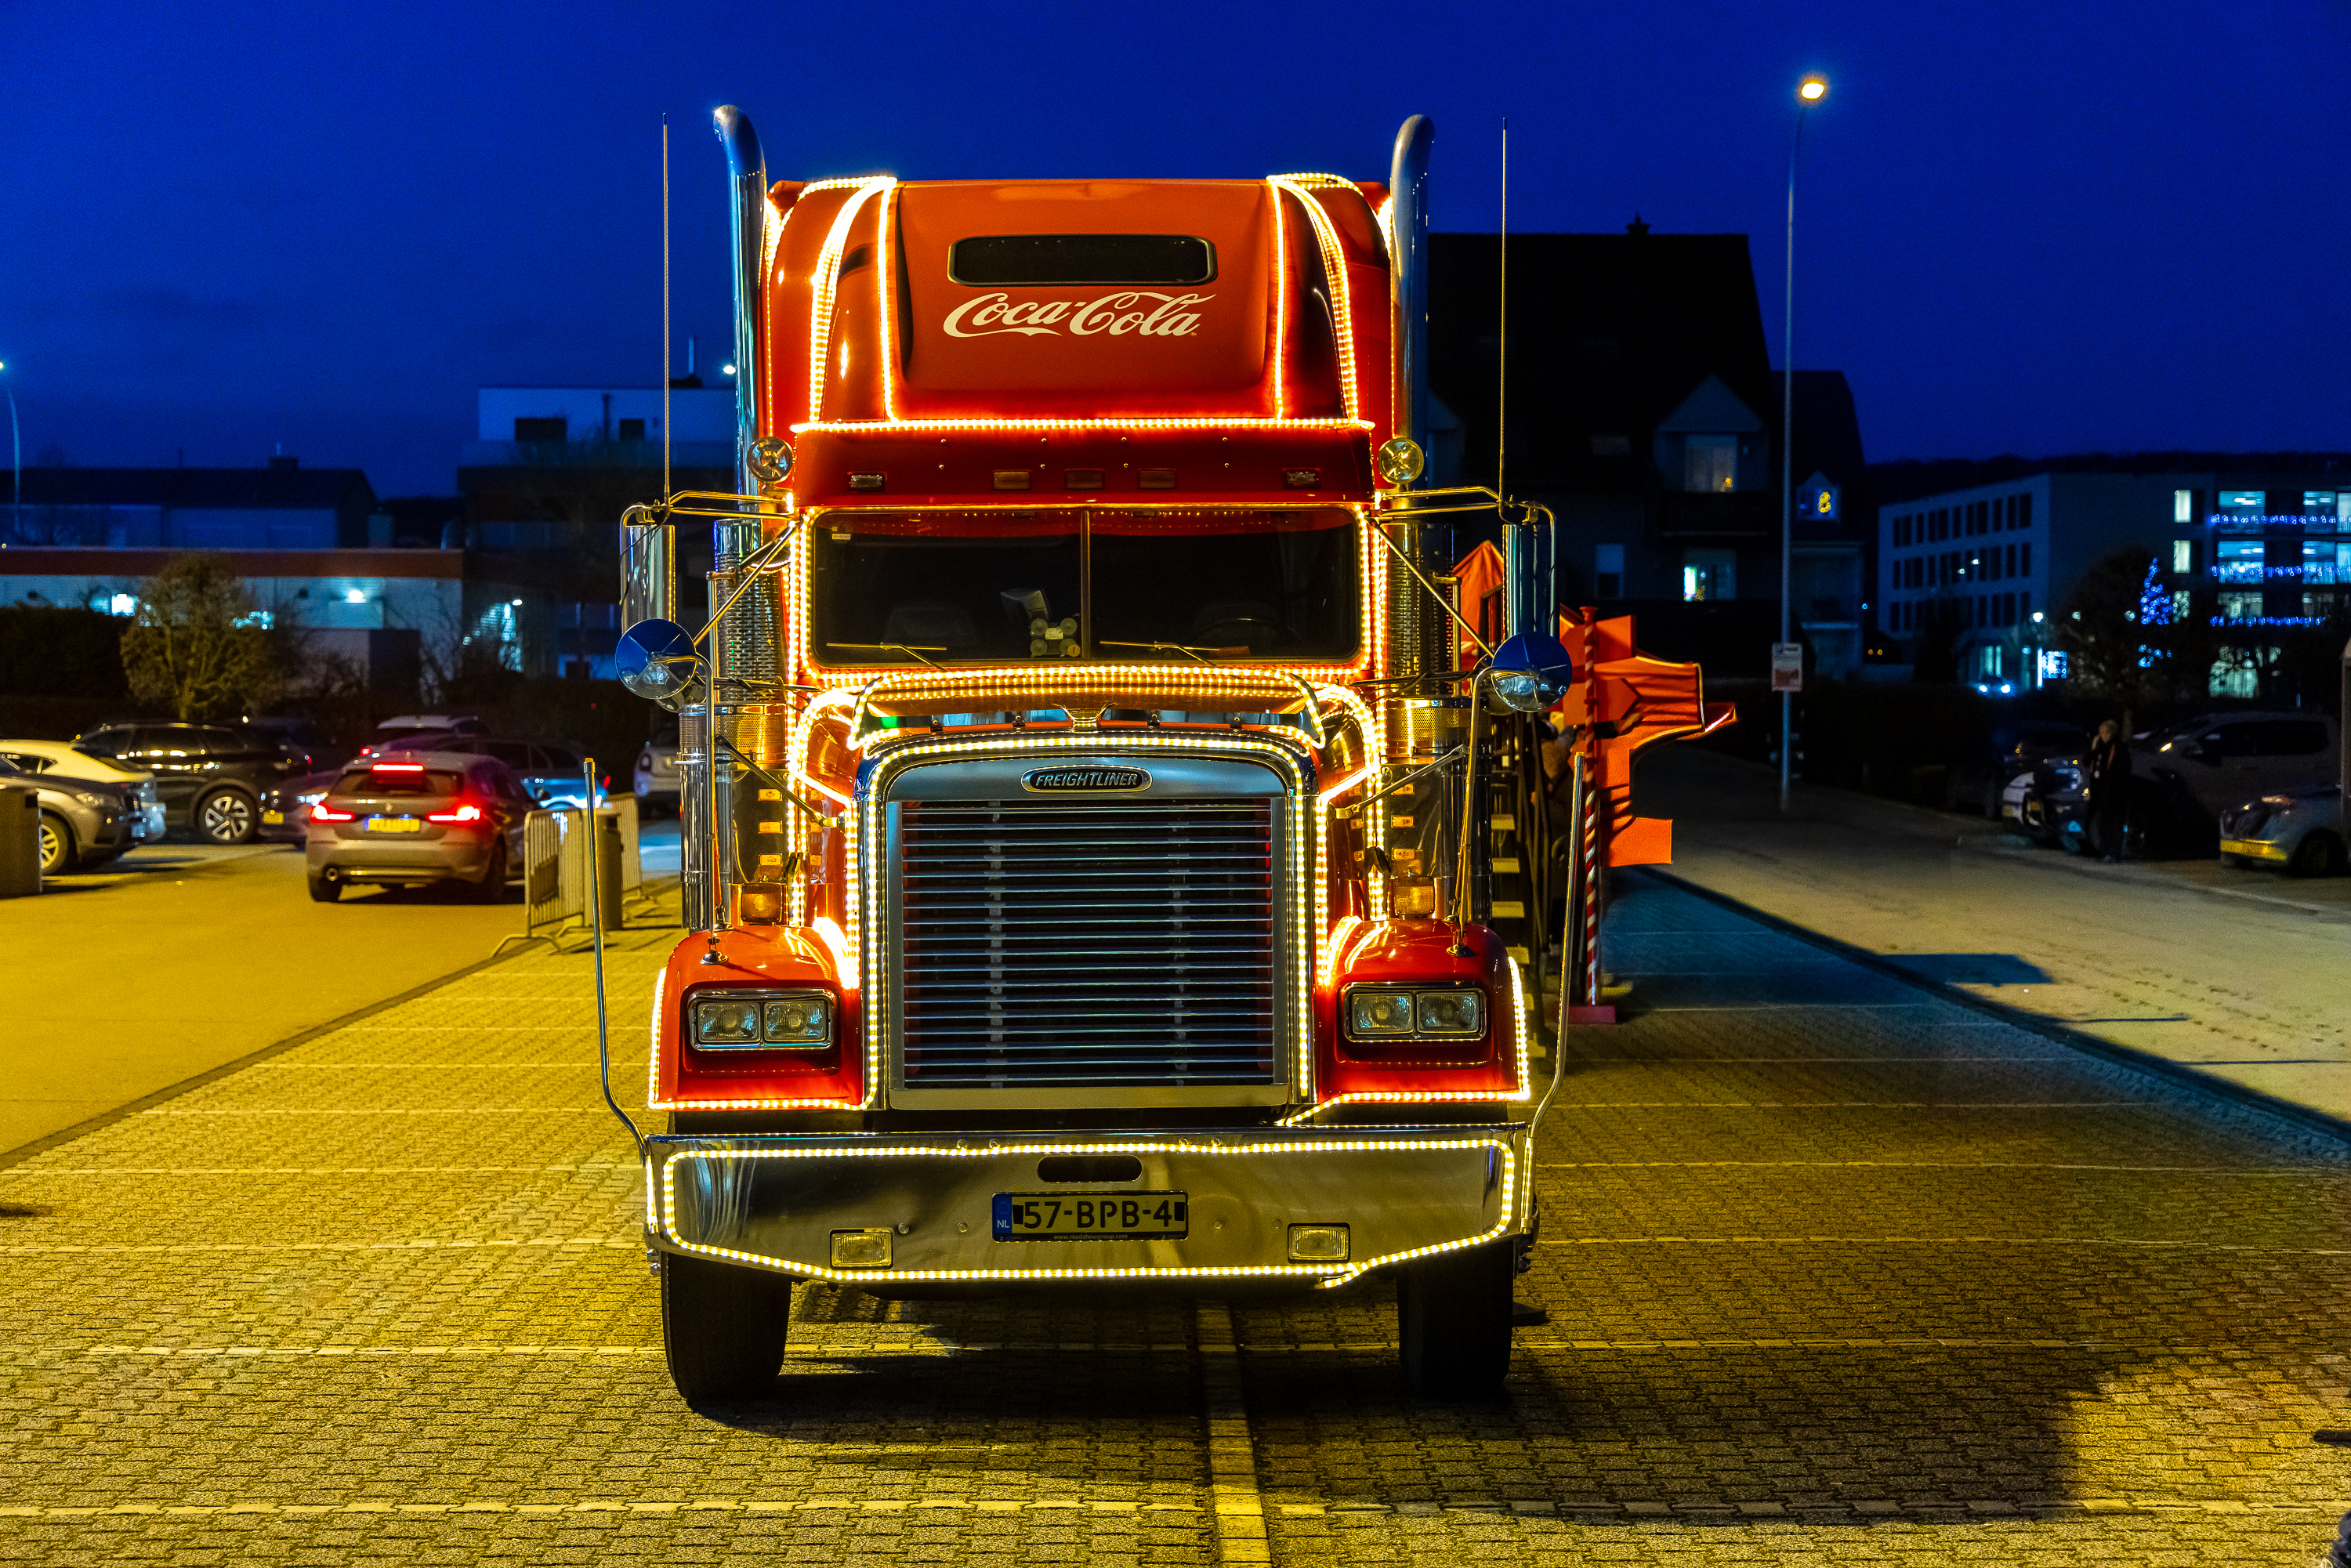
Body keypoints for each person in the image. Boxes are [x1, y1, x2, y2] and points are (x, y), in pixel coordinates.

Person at [2083, 719, 2132, 862]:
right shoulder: (2099, 749)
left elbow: (2123, 773)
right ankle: (2103, 851)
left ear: (2113, 733)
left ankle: (2114, 853)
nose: (2103, 735)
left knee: (2114, 825)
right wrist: (2093, 747)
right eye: (2101, 732)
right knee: (2100, 823)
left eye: (2106, 732)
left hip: (2113, 794)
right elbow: (2086, 761)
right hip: (2098, 793)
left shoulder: (2119, 748)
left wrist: (2115, 791)